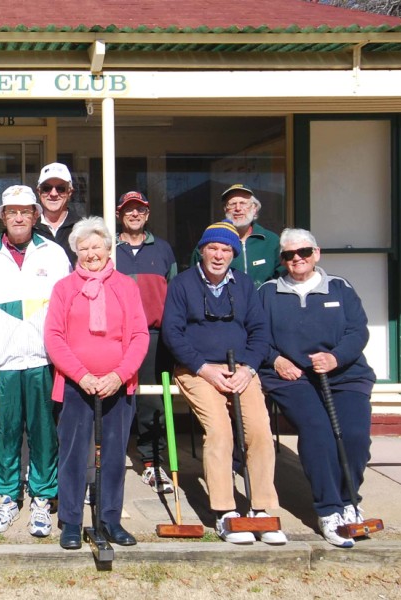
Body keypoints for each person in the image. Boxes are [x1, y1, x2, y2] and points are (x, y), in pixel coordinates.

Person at [162, 220, 287, 545]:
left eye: (226, 250)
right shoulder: (182, 284)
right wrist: (204, 368)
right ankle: (225, 511)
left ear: (233, 254)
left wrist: (248, 368)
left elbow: (259, 331)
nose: (219, 255)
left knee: (259, 430)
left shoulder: (244, 284)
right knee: (219, 430)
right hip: (197, 370)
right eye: (213, 248)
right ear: (202, 251)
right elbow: (172, 333)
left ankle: (261, 509)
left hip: (241, 369)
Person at [0, 185, 70, 537]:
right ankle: (7, 496)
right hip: (3, 365)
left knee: (44, 434)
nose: (20, 217)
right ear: (3, 217)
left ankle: (42, 497)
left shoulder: (54, 254)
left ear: (36, 216)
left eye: (26, 211)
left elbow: (68, 308)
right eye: (13, 212)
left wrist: (64, 356)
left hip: (44, 361)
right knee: (5, 435)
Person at [258, 229, 376, 548]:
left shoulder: (339, 287)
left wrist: (336, 357)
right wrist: (276, 359)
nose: (297, 259)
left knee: (354, 436)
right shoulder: (267, 292)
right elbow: (256, 335)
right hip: (293, 376)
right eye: (289, 255)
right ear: (281, 259)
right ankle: (328, 509)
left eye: (304, 252)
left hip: (344, 373)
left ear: (316, 253)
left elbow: (357, 331)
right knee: (318, 431)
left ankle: (348, 501)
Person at [44, 216, 149, 550]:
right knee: (73, 454)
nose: (91, 254)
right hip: (76, 385)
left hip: (118, 385)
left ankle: (110, 519)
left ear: (108, 248)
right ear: (76, 252)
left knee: (114, 455)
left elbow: (139, 335)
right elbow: (54, 337)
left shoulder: (126, 286)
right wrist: (82, 375)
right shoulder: (64, 288)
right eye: (83, 248)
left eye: (96, 246)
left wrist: (118, 375)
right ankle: (71, 521)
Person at [114, 191, 178, 494]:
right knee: (115, 397)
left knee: (153, 401)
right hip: (117, 337)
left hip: (154, 335)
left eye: (140, 209)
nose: (135, 214)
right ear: (119, 214)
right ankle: (108, 459)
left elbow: (175, 294)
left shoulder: (163, 249)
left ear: (147, 214)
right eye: (129, 210)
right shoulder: (110, 249)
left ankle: (152, 462)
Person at [191, 184, 283, 288]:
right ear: (225, 209)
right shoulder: (210, 242)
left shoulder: (271, 241)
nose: (238, 208)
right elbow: (194, 278)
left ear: (254, 209)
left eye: (243, 203)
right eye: (232, 204)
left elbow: (283, 278)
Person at [33, 162, 77, 265]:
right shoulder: (29, 228)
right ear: (39, 192)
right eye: (46, 188)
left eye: (60, 189)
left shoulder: (82, 228)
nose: (53, 194)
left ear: (69, 192)